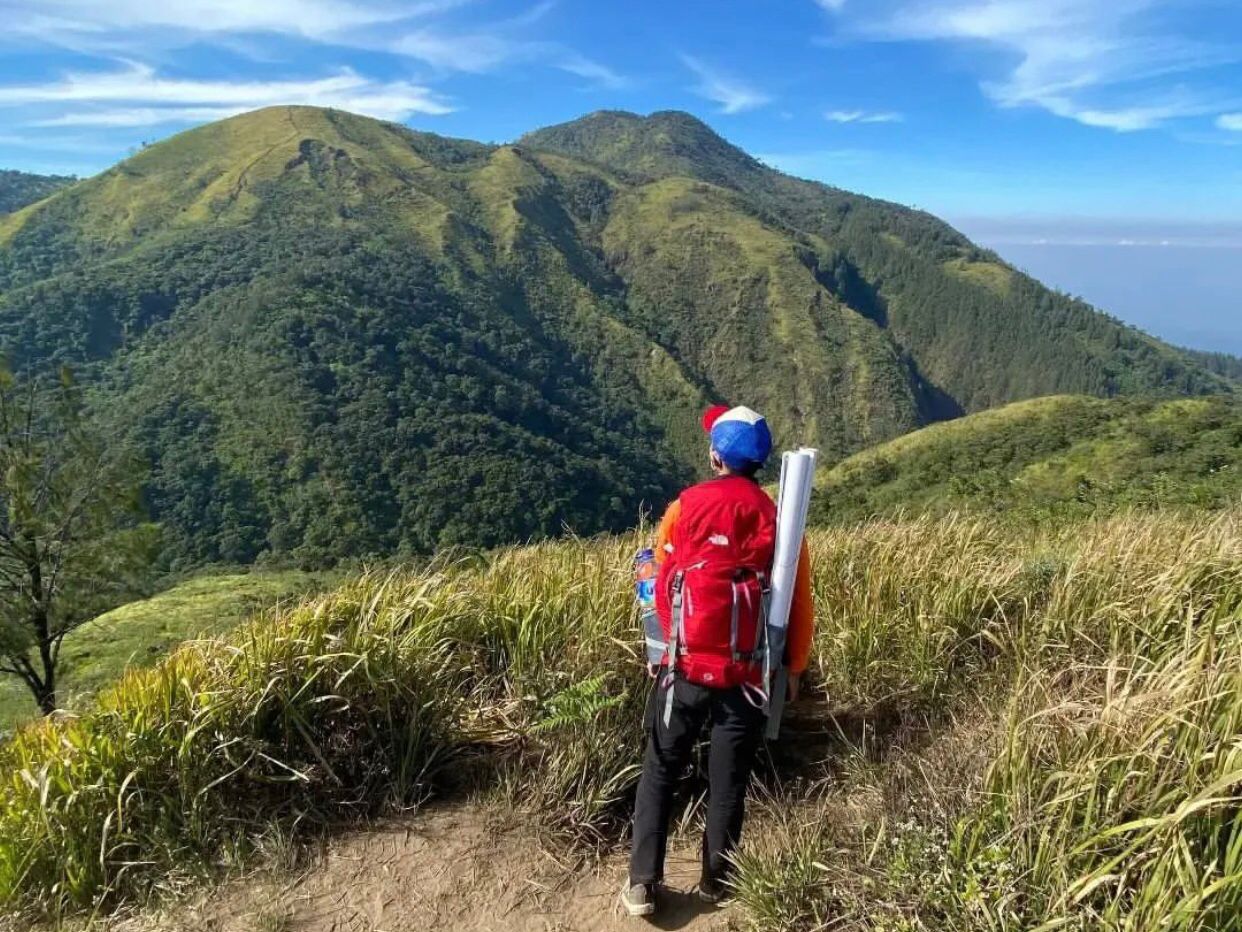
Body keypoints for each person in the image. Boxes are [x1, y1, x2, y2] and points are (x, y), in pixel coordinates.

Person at [620, 404, 815, 918]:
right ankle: (716, 881)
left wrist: (661, 650)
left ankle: (643, 884)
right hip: (746, 674)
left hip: (682, 666)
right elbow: (797, 597)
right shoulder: (778, 518)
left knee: (661, 767)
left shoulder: (684, 507)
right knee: (727, 780)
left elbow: (660, 578)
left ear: (715, 456)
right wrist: (793, 666)